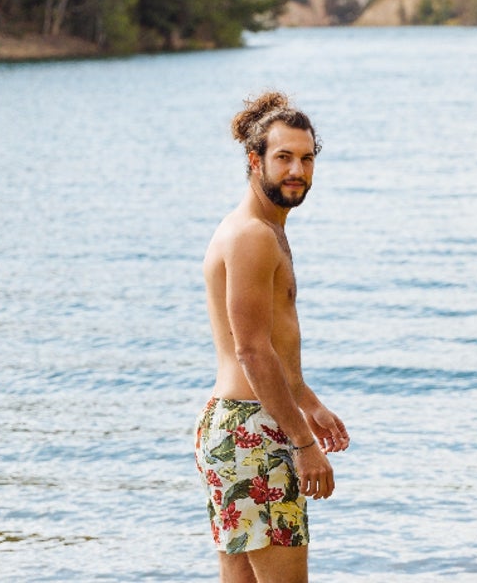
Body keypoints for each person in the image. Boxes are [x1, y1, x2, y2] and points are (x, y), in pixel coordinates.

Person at [194, 91, 350, 583]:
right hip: (253, 436)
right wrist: (304, 444)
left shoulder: (261, 229)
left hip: (237, 429)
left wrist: (307, 400)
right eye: (283, 158)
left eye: (306, 159)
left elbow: (268, 344)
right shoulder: (252, 237)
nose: (297, 171)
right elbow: (251, 349)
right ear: (254, 159)